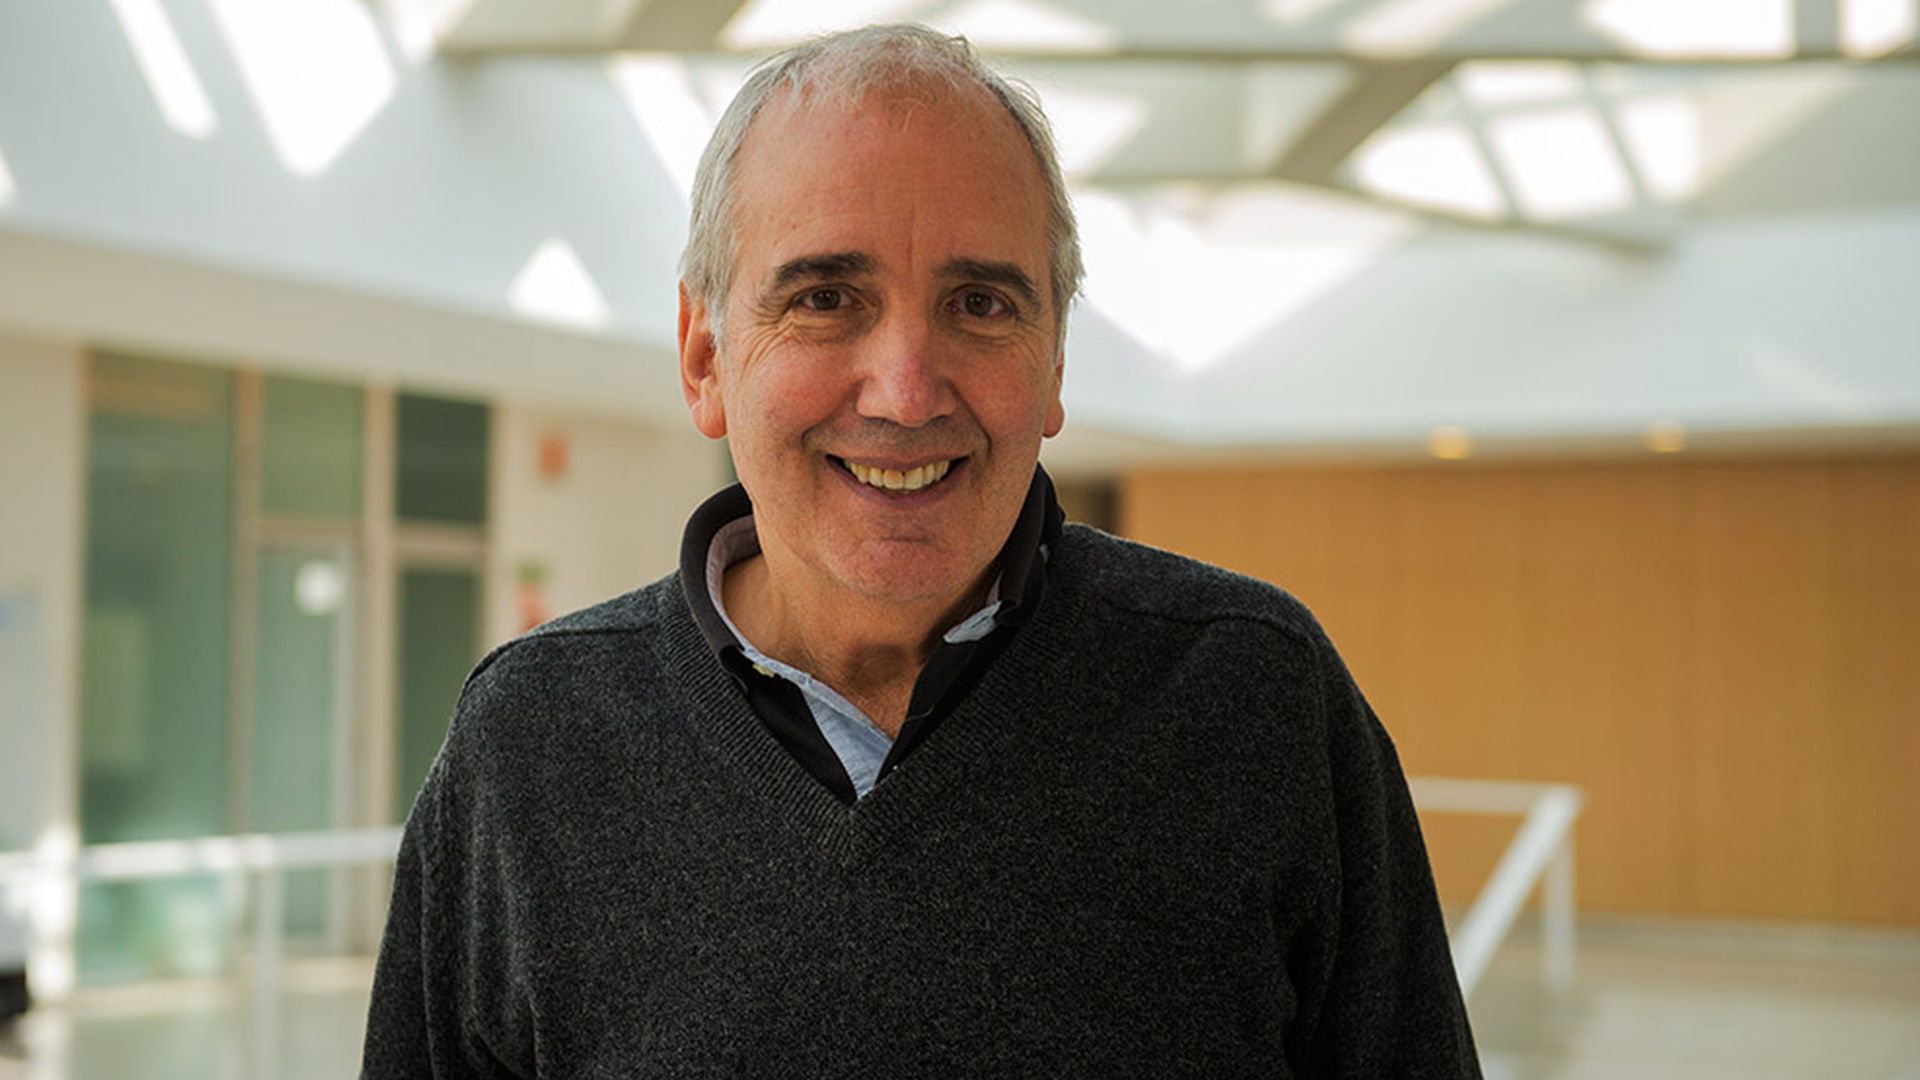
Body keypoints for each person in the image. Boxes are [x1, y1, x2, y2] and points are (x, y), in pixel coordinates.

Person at [362, 23, 1479, 1078]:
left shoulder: (1257, 700)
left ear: (1053, 363)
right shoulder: (529, 747)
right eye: (826, 297)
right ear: (705, 357)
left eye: (980, 303)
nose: (904, 393)